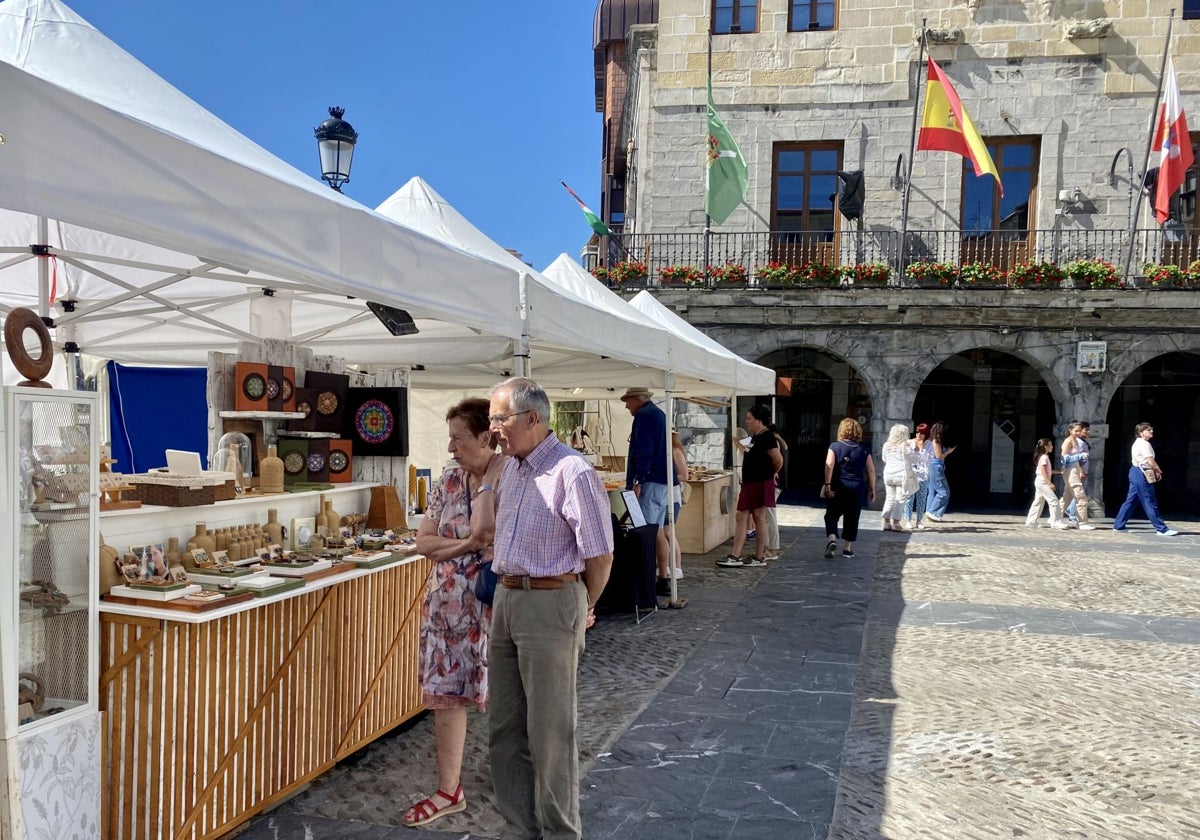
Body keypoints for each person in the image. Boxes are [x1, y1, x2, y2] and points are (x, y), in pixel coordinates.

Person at [487, 377, 614, 840]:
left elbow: (600, 555)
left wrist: (581, 606)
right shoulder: (513, 468)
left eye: (499, 419)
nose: (493, 429)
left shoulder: (572, 471)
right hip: (507, 598)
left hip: (550, 601)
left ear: (533, 418)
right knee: (504, 729)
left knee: (551, 735)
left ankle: (560, 833)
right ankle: (519, 828)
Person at [403, 398, 507, 828]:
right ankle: (449, 789)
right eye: (449, 438)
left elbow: (492, 533)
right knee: (446, 696)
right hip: (446, 610)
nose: (450, 448)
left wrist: (463, 543)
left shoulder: (511, 478)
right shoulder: (448, 481)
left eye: (458, 438)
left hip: (496, 605)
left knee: (509, 693)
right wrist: (467, 546)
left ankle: (515, 782)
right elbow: (424, 543)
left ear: (486, 437)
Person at [620, 387, 672, 590]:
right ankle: (662, 577)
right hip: (661, 480)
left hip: (650, 480)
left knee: (647, 532)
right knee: (657, 530)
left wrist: (638, 480)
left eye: (628, 401)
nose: (626, 406)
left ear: (636, 400)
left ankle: (647, 579)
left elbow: (644, 449)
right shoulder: (658, 414)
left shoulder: (644, 416)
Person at [718, 405, 783, 568]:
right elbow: (748, 452)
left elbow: (778, 459)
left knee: (753, 517)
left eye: (749, 418)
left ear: (759, 420)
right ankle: (744, 555)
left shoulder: (767, 437)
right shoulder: (756, 437)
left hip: (758, 482)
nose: (747, 421)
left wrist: (768, 474)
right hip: (751, 482)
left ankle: (747, 555)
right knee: (746, 517)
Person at [822, 417, 876, 559]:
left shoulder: (834, 446)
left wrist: (827, 484)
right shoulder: (864, 449)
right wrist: (872, 489)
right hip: (857, 486)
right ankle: (847, 549)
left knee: (831, 514)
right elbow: (871, 470)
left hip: (839, 485)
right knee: (852, 517)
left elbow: (829, 466)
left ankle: (832, 540)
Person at [1113, 422, 1178, 536]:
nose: (1151, 431)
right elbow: (1150, 460)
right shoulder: (1144, 444)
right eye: (1148, 430)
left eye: (1151, 429)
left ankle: (1119, 525)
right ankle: (1161, 528)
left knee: (1131, 500)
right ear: (1140, 433)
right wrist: (1157, 470)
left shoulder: (1140, 443)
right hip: (1141, 472)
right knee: (1149, 500)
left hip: (1136, 471)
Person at [658, 429, 689, 594]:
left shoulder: (675, 451)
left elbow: (685, 475)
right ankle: (670, 566)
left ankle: (677, 566)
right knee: (664, 532)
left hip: (672, 497)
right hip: (665, 496)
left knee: (668, 531)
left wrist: (668, 477)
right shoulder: (667, 451)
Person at [1024, 437, 1069, 529]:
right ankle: (1056, 521)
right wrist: (1049, 483)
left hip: (1040, 481)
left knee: (1038, 501)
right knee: (1054, 501)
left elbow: (1047, 471)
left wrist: (1059, 472)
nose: (1052, 447)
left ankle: (1031, 521)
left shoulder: (1042, 457)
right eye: (1050, 445)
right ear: (1046, 447)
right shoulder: (1044, 457)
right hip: (1043, 482)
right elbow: (1043, 471)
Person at [879, 423, 914, 532]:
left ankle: (886, 522)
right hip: (901, 475)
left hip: (888, 474)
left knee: (890, 498)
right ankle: (896, 523)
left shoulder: (886, 445)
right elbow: (910, 458)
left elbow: (884, 459)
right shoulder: (905, 446)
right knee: (900, 499)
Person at [1060, 421, 1094, 529]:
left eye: (1080, 431)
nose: (1078, 433)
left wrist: (1080, 468)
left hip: (1075, 469)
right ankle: (1082, 522)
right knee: (1081, 496)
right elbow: (1063, 458)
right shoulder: (1069, 440)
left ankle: (1055, 517)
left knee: (1067, 497)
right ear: (1070, 430)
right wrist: (1079, 457)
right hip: (1070, 470)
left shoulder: (1075, 440)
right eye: (1076, 431)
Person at [925, 421, 955, 522]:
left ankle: (930, 512)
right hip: (936, 466)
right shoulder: (936, 441)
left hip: (930, 466)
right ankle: (933, 512)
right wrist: (948, 452)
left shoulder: (928, 440)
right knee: (944, 492)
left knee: (932, 491)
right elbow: (938, 456)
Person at [903, 423, 932, 530]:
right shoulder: (909, 442)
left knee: (921, 499)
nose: (919, 435)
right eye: (917, 432)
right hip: (912, 474)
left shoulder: (929, 444)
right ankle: (908, 520)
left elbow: (928, 459)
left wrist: (922, 448)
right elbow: (907, 457)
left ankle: (919, 520)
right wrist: (913, 448)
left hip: (923, 475)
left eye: (922, 433)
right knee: (909, 498)